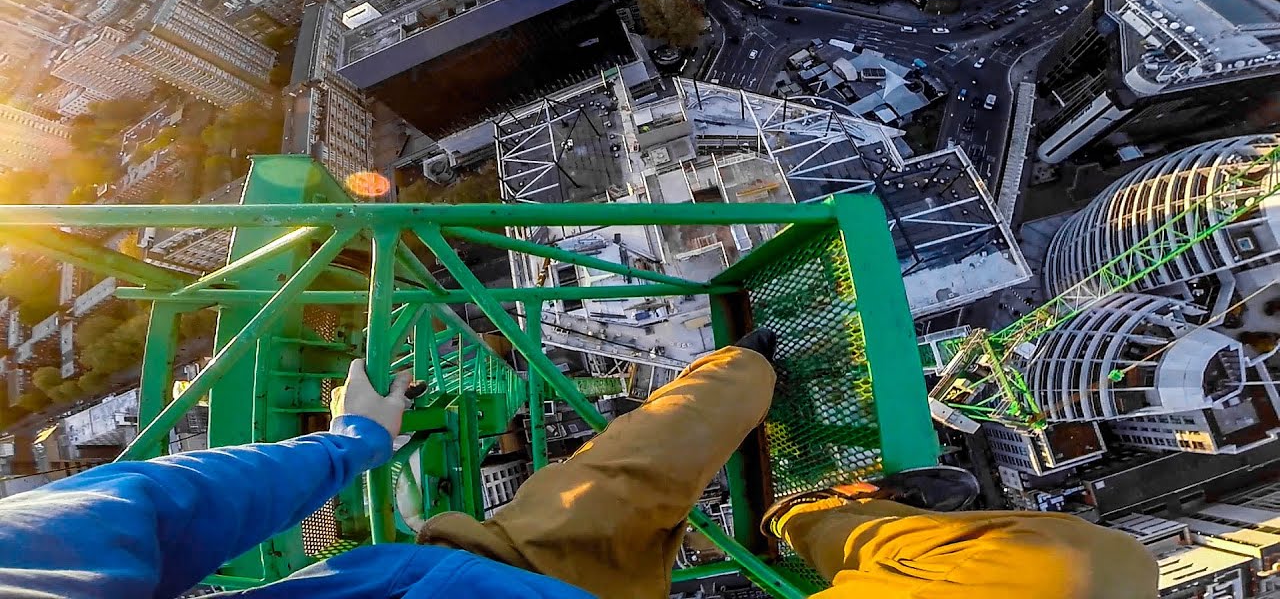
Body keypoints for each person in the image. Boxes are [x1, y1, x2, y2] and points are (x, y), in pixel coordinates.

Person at [0, 330, 1157, 599]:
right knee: (1084, 569)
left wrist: (358, 443)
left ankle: (810, 517)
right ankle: (819, 523)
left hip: (486, 580)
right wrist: (354, 438)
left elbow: (157, 505)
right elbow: (160, 502)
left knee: (705, 405)